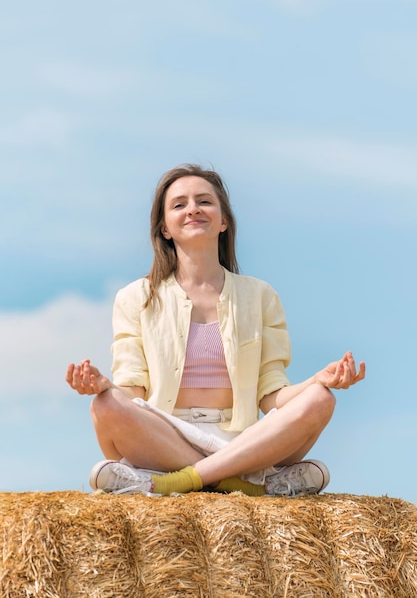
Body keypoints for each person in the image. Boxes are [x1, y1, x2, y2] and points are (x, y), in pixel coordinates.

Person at [66, 164, 365, 497]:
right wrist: (104, 386)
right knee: (105, 405)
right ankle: (239, 480)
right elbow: (133, 395)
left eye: (204, 201)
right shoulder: (135, 297)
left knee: (321, 399)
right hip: (167, 436)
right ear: (165, 228)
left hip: (245, 438)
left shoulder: (260, 296)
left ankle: (181, 481)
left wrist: (318, 380)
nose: (193, 208)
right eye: (179, 204)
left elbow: (271, 396)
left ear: (223, 221)